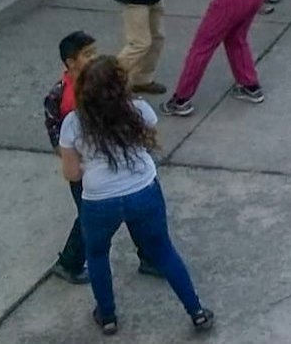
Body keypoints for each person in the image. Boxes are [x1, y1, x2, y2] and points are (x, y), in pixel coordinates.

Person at [57, 55, 214, 336]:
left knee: (96, 253)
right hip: (143, 190)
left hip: (99, 200)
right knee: (163, 250)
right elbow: (148, 143)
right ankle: (197, 311)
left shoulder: (73, 123)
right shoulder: (139, 109)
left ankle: (107, 316)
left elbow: (72, 174)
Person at [43, 31, 161, 285]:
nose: (94, 58)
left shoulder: (98, 86)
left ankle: (150, 257)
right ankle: (70, 263)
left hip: (110, 165)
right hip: (88, 171)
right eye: (87, 54)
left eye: (94, 52)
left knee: (133, 213)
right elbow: (59, 138)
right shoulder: (62, 97)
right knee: (89, 218)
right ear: (70, 63)